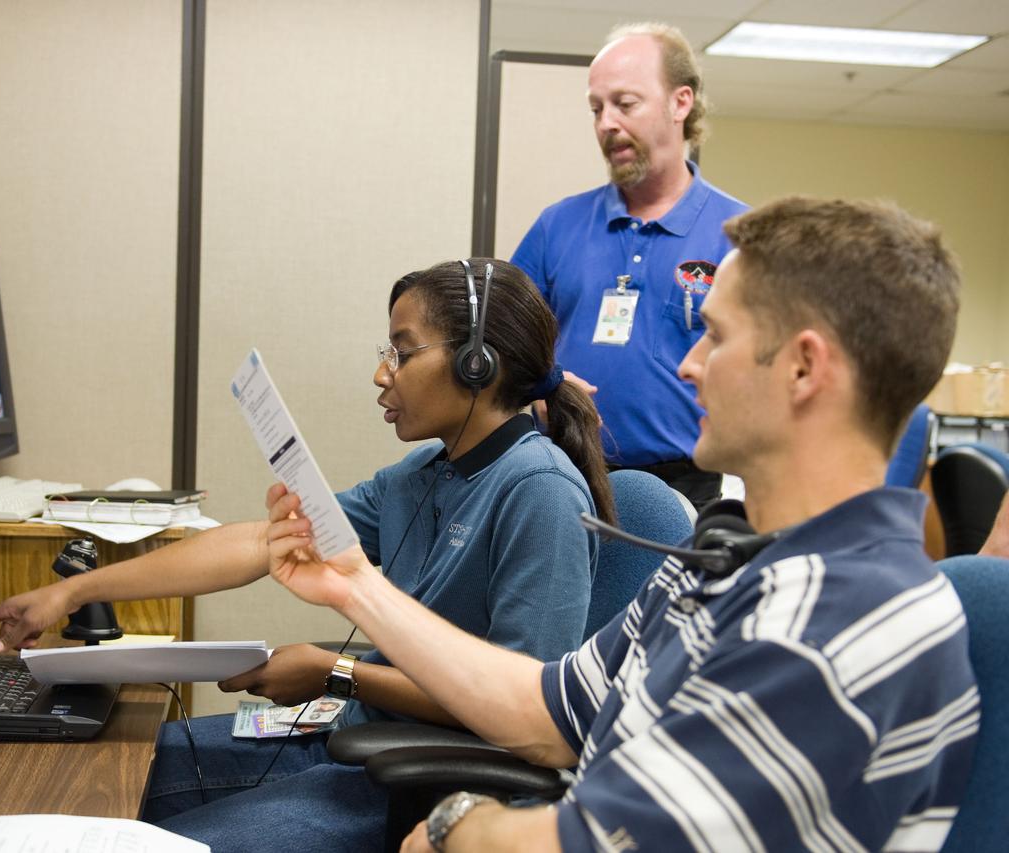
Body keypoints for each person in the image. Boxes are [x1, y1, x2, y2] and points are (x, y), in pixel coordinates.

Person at [268, 198, 979, 851]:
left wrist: (458, 826)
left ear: (802, 368)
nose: (690, 365)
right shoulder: (730, 557)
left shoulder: (830, 624)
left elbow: (596, 840)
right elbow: (546, 707)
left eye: (715, 336)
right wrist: (357, 588)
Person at [0, 258, 617, 851]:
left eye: (402, 352)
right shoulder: (422, 475)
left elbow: (529, 709)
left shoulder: (541, 492)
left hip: (427, 790)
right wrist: (75, 591)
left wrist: (338, 673)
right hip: (347, 741)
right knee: (101, 769)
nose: (381, 373)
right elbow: (258, 542)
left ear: (478, 363)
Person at [511, 22, 748, 508]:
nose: (606, 123)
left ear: (680, 102)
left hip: (685, 486)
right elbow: (500, 335)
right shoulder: (558, 225)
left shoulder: (739, 234)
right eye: (597, 108)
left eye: (625, 103)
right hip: (562, 471)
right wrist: (540, 383)